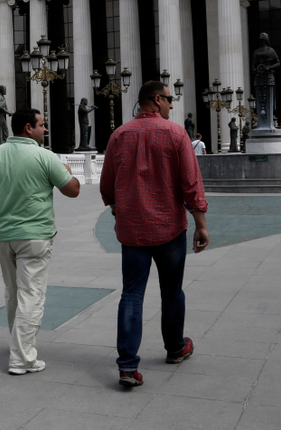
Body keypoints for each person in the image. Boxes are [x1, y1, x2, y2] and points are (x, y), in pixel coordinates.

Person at [0, 109, 80, 375]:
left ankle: (18, 346)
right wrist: (67, 171)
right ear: (28, 128)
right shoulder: (45, 157)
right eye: (42, 125)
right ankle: (22, 358)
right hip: (35, 236)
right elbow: (73, 190)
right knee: (32, 295)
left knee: (13, 292)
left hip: (3, 236)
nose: (46, 130)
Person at [100, 81, 209, 388]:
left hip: (132, 230)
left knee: (131, 294)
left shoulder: (119, 135)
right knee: (172, 291)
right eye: (170, 100)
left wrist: (118, 209)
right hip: (169, 228)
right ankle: (176, 348)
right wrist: (200, 223)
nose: (172, 106)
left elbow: (107, 186)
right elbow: (190, 184)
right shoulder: (176, 134)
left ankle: (127, 367)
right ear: (157, 99)